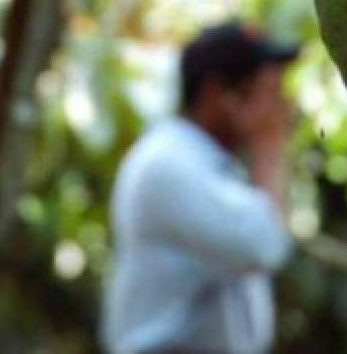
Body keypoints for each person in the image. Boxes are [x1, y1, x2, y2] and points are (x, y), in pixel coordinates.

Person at [104, 21, 299, 354]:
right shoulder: (169, 164)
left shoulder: (205, 164)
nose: (281, 107)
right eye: (267, 92)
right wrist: (270, 147)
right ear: (217, 94)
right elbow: (263, 245)